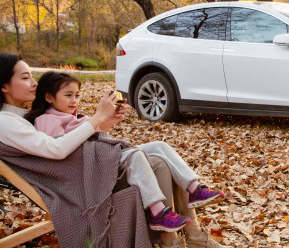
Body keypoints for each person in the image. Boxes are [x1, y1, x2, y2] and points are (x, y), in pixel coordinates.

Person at [0, 53, 234, 248]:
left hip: (85, 170)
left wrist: (105, 122)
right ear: (3, 85)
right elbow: (57, 150)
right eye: (24, 77)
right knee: (156, 164)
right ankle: (171, 246)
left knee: (160, 157)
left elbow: (75, 145)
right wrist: (96, 119)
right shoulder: (5, 122)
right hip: (75, 186)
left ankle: (190, 238)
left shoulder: (22, 117)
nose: (33, 82)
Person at [26, 71, 224, 232]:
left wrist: (108, 122)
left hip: (103, 153)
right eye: (68, 95)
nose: (74, 100)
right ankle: (157, 211)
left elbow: (92, 136)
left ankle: (195, 188)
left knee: (159, 146)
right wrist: (97, 117)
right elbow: (62, 149)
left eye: (77, 95)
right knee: (134, 155)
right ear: (49, 97)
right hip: (92, 166)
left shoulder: (74, 117)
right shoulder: (46, 120)